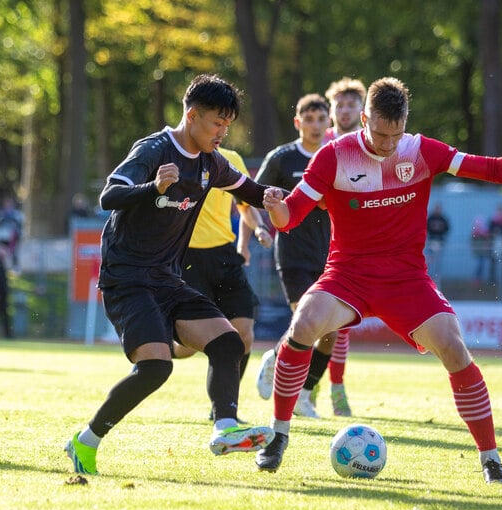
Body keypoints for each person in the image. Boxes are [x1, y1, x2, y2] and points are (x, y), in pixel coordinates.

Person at [255, 77, 502, 483]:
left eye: (396, 134)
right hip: (348, 274)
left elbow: (493, 169)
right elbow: (291, 216)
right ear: (363, 119)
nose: (388, 144)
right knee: (304, 323)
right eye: (379, 133)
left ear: (406, 123)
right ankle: (278, 436)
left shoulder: (422, 150)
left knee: (453, 346)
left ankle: (491, 460)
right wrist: (275, 210)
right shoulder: (332, 155)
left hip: (406, 279)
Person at [64, 74, 276, 476]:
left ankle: (225, 428)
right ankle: (84, 441)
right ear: (192, 116)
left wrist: (290, 198)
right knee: (157, 367)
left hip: (167, 278)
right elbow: (109, 195)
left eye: (227, 125)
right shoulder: (154, 149)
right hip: (127, 278)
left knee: (229, 343)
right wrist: (152, 187)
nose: (222, 132)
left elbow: (250, 190)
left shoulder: (212, 163)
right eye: (217, 123)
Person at [254, 93, 351, 418]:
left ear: (329, 123)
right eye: (308, 119)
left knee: (331, 332)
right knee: (306, 323)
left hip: (330, 256)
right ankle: (279, 363)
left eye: (320, 119)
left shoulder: (336, 156)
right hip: (293, 253)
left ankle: (305, 395)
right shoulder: (282, 158)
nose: (314, 125)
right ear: (298, 123)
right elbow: (253, 194)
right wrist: (261, 224)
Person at [173, 146, 272, 406]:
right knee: (187, 347)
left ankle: (225, 407)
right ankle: (156, 351)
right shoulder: (176, 156)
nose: (219, 128)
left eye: (223, 122)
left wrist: (259, 229)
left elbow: (244, 206)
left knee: (244, 334)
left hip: (225, 257)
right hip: (188, 257)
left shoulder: (233, 158)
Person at [322, 77, 367, 409]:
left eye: (352, 104)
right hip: (315, 239)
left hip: (350, 242)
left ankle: (336, 387)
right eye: (340, 104)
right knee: (308, 317)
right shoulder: (319, 143)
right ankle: (308, 384)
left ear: (362, 110)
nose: (346, 109)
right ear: (331, 108)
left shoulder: (369, 145)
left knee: (342, 322)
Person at [0, 196, 23, 270]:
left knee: (14, 253)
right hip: (3, 237)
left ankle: (15, 267)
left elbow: (19, 225)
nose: (8, 205)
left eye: (9, 204)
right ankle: (1, 268)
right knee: (1, 253)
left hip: (14, 237)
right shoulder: (1, 214)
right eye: (7, 204)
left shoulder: (16, 214)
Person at [425, 203, 450, 284]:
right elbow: (426, 227)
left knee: (437, 261)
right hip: (431, 241)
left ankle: (436, 277)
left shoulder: (443, 218)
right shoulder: (431, 218)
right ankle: (428, 276)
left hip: (440, 241)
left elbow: (447, 228)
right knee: (430, 260)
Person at [470, 215, 490, 286]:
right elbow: (472, 242)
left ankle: (479, 279)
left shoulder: (485, 232)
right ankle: (476, 279)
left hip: (482, 252)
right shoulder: (475, 233)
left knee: (481, 265)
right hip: (477, 252)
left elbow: (487, 241)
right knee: (478, 265)